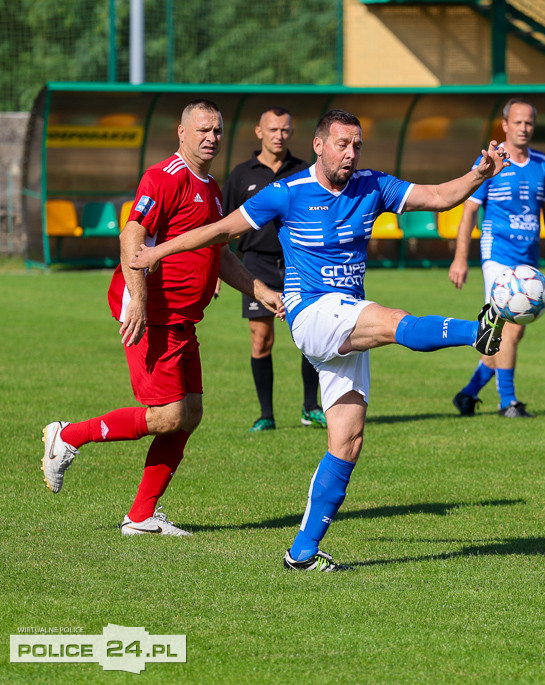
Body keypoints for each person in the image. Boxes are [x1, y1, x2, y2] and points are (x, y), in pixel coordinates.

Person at [130, 108, 510, 570]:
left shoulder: (372, 185)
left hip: (347, 319)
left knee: (347, 441)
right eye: (341, 144)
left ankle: (302, 552)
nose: (350, 154)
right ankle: (478, 330)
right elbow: (216, 231)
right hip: (312, 313)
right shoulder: (288, 194)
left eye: (357, 145)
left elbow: (439, 196)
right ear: (318, 145)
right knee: (392, 320)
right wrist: (156, 252)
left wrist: (479, 173)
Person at [40, 99, 283, 536]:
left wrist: (260, 289)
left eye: (217, 131)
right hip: (152, 315)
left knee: (189, 413)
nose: (211, 137)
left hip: (183, 318)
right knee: (169, 414)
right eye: (203, 129)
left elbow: (219, 254)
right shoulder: (164, 177)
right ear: (182, 132)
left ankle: (141, 516)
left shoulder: (209, 187)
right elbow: (132, 233)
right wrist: (137, 298)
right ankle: (67, 436)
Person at [447, 97, 545, 418]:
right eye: (518, 122)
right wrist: (460, 259)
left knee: (508, 331)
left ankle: (468, 393)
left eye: (529, 123)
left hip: (527, 259)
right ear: (505, 125)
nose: (524, 128)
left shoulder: (541, 162)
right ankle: (508, 403)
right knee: (508, 327)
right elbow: (469, 212)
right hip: (496, 255)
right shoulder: (491, 161)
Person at [223, 106, 324, 432]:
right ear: (259, 132)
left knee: (311, 337)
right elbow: (223, 227)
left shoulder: (304, 170)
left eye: (285, 130)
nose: (279, 136)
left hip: (300, 263)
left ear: (292, 133)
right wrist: (216, 272)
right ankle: (266, 414)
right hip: (256, 264)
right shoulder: (241, 174)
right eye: (272, 130)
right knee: (261, 339)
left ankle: (311, 407)